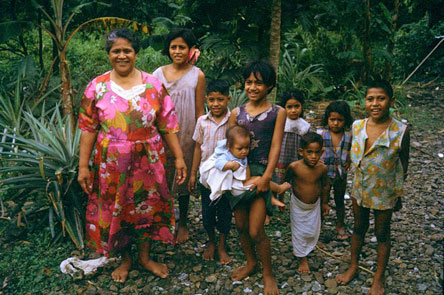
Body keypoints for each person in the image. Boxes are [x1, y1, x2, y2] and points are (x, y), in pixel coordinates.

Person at [77, 28, 186, 282]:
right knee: (120, 209)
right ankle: (125, 259)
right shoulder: (97, 87)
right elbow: (87, 128)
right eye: (116, 51)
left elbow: (168, 125)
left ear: (136, 53)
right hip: (111, 165)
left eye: (127, 50)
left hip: (149, 161)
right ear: (108, 54)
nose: (122, 56)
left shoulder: (153, 85)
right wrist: (83, 166)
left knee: (147, 207)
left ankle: (146, 257)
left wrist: (179, 157)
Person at [336, 80, 410, 295]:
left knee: (382, 232)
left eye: (381, 98)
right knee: (358, 228)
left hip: (385, 193)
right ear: (365, 102)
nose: (375, 103)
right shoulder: (357, 126)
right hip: (359, 188)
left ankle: (379, 278)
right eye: (370, 99)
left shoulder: (400, 131)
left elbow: (403, 162)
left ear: (391, 101)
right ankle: (353, 266)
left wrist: (398, 193)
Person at [228, 60, 286, 295]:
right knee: (241, 226)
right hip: (238, 177)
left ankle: (268, 272)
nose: (252, 87)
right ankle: (251, 262)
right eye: (249, 82)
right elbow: (227, 146)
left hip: (261, 174)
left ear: (270, 86)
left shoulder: (277, 112)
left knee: (255, 230)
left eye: (259, 83)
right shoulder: (236, 113)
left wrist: (268, 176)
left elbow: (275, 145)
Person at [153, 28, 206, 244]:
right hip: (162, 135)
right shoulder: (157, 74)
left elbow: (200, 110)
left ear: (190, 49)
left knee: (182, 180)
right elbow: (153, 107)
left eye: (182, 47)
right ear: (168, 49)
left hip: (186, 133)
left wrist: (201, 138)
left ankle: (183, 222)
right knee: (161, 178)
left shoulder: (197, 75)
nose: (177, 51)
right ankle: (164, 221)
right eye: (173, 47)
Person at [187, 79, 232, 264]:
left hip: (224, 177)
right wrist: (192, 174)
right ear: (206, 99)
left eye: (220, 99)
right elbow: (198, 148)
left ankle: (222, 245)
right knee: (207, 213)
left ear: (228, 99)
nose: (215, 104)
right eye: (211, 100)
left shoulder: (233, 121)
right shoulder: (202, 121)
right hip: (206, 177)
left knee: (224, 212)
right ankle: (211, 242)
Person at [199, 125, 289, 206]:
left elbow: (246, 173)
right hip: (235, 187)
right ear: (229, 146)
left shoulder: (241, 155)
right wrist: (229, 165)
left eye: (247, 148)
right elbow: (218, 163)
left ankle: (271, 199)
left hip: (242, 183)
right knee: (259, 180)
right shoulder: (226, 155)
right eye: (240, 148)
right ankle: (278, 189)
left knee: (260, 181)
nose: (244, 151)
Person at [285, 132, 330, 273]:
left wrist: (324, 203)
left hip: (314, 205)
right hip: (298, 205)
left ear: (322, 152)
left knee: (312, 230)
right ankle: (302, 258)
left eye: (317, 153)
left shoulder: (322, 168)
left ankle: (308, 247)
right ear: (301, 152)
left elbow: (325, 186)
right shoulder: (294, 167)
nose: (313, 156)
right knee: (299, 231)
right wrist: (280, 200)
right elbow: (286, 183)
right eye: (309, 152)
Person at [317, 100, 353, 240]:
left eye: (340, 120)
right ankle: (319, 225)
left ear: (346, 120)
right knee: (321, 199)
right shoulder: (321, 133)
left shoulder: (349, 136)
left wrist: (349, 160)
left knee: (339, 200)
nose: (336, 123)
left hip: (340, 174)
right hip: (324, 173)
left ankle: (340, 225)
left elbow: (350, 150)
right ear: (327, 119)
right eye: (332, 119)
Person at [273, 88, 311, 220]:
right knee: (276, 180)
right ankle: (272, 206)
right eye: (289, 107)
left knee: (294, 182)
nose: (293, 110)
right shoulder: (280, 121)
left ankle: (294, 207)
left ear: (302, 106)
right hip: (280, 156)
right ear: (283, 108)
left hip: (296, 157)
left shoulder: (304, 126)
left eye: (297, 106)